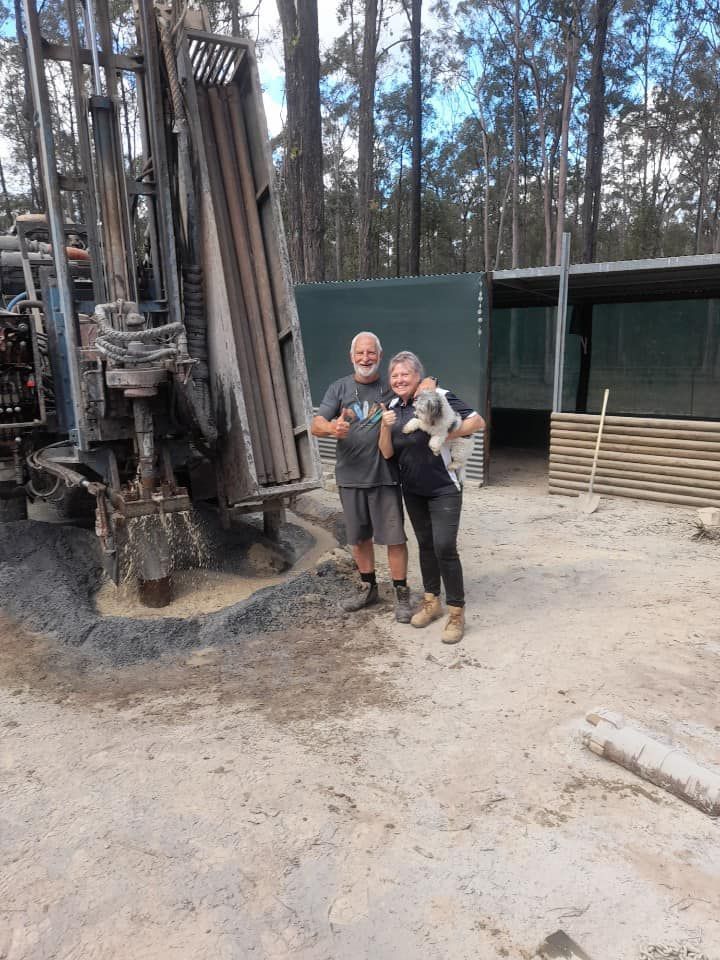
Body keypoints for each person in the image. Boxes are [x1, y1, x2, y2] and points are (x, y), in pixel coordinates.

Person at [312, 332, 432, 622]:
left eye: (371, 353)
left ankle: (402, 594)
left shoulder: (390, 387)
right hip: (350, 476)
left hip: (385, 476)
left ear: (379, 355)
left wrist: (432, 382)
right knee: (358, 539)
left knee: (393, 538)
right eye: (360, 353)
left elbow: (419, 383)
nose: (365, 358)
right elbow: (316, 423)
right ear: (351, 356)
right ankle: (369, 589)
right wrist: (332, 430)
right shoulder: (338, 387)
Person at [379, 350, 485, 644]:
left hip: (444, 487)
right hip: (412, 489)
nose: (400, 380)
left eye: (405, 375)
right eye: (395, 375)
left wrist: (444, 432)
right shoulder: (392, 406)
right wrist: (385, 427)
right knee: (425, 545)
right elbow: (387, 452)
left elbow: (478, 422)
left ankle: (456, 613)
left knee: (444, 546)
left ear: (418, 376)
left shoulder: (438, 394)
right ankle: (431, 602)